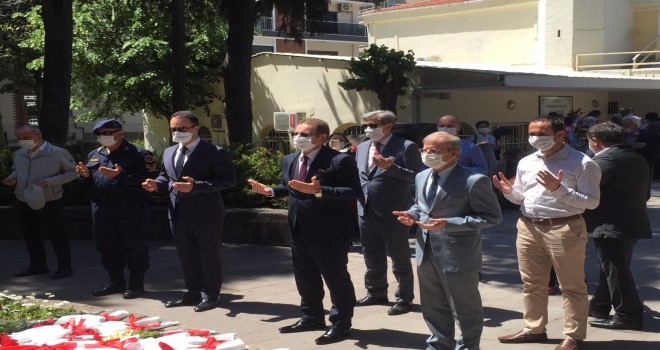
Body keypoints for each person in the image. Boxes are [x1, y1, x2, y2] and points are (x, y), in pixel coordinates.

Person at [248, 118, 360, 345]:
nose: (298, 137)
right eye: (296, 133)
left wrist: (319, 191)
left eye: (305, 134)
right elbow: (290, 186)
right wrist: (270, 191)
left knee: (336, 279)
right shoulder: (290, 159)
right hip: (299, 229)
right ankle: (312, 317)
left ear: (322, 137)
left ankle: (340, 324)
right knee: (305, 277)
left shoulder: (338, 161)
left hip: (330, 232)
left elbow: (352, 191)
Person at [493, 115, 601, 350]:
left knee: (571, 285)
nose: (535, 138)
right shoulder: (527, 161)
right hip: (528, 226)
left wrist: (559, 190)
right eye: (532, 133)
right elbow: (521, 196)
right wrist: (508, 192)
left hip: (564, 226)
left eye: (541, 134)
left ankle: (573, 335)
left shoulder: (583, 163)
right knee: (532, 283)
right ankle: (534, 329)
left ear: (560, 134)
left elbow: (591, 202)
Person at [393, 131, 502, 350]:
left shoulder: (473, 180)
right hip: (426, 250)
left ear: (453, 153)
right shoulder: (422, 176)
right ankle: (439, 343)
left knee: (464, 307)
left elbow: (492, 217)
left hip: (458, 254)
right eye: (424, 150)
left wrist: (449, 223)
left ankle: (469, 346)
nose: (426, 154)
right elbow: (422, 206)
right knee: (433, 304)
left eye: (433, 151)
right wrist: (412, 214)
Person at [142, 111, 236, 312]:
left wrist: (198, 186)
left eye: (181, 129)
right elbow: (165, 177)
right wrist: (155, 185)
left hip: (206, 214)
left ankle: (211, 295)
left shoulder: (214, 152)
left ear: (195, 129)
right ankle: (192, 292)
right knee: (187, 256)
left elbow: (228, 180)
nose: (177, 132)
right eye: (173, 129)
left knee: (209, 256)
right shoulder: (169, 152)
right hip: (177, 213)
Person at [77, 119, 158, 299]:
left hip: (130, 207)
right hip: (102, 208)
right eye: (100, 134)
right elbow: (92, 182)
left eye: (107, 133)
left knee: (134, 246)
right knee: (106, 247)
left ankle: (136, 284)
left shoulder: (139, 154)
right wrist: (85, 177)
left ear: (120, 134)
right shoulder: (94, 154)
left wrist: (121, 176)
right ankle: (116, 282)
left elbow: (150, 180)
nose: (103, 137)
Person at [583, 122, 651, 331]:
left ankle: (628, 314)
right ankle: (600, 305)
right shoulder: (635, 156)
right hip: (630, 220)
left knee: (616, 270)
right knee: (610, 268)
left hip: (611, 223)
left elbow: (586, 189)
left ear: (595, 140)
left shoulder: (606, 159)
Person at [354, 110, 422, 316]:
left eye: (373, 126)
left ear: (388, 126)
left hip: (394, 210)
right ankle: (376, 292)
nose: (368, 130)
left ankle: (404, 298)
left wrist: (392, 168)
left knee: (399, 256)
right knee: (371, 254)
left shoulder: (405, 146)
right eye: (365, 125)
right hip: (365, 209)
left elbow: (417, 176)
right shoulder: (363, 146)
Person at [2, 125, 77, 279]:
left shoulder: (57, 153)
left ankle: (64, 267)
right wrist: (13, 177)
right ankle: (38, 265)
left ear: (39, 136)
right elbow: (18, 170)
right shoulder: (19, 154)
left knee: (57, 234)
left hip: (50, 199)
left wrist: (50, 181)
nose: (23, 141)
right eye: (20, 138)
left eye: (26, 138)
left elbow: (73, 172)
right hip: (24, 198)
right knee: (30, 234)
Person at [621, 115, 659, 199]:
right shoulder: (620, 135)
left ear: (635, 125)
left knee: (643, 184)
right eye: (623, 125)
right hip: (625, 163)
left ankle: (643, 202)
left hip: (644, 163)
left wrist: (646, 145)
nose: (624, 127)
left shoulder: (648, 135)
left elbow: (656, 146)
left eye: (627, 125)